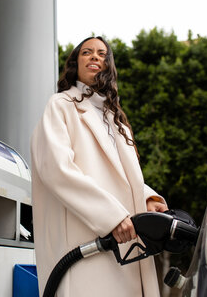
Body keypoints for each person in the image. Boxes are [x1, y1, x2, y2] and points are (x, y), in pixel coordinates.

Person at [30, 36, 168, 297]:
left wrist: (147, 198)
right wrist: (111, 216)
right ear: (75, 63)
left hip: (125, 241)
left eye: (102, 53)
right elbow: (57, 169)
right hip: (88, 239)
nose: (95, 57)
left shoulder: (116, 119)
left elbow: (120, 175)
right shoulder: (61, 105)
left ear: (109, 65)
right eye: (87, 52)